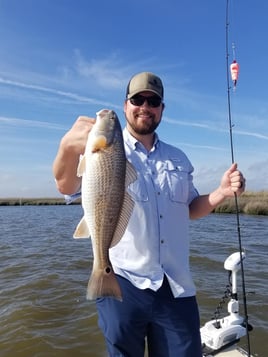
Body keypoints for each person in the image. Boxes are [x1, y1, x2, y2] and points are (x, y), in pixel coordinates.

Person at [53, 72, 245, 357]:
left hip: (175, 286)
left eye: (153, 101)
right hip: (123, 281)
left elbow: (191, 208)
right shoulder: (101, 151)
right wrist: (67, 147)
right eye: (137, 99)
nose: (145, 106)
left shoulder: (178, 158)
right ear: (126, 105)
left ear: (162, 109)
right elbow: (65, 185)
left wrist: (220, 193)